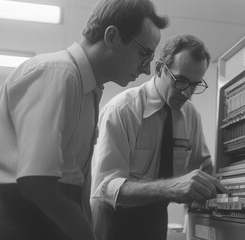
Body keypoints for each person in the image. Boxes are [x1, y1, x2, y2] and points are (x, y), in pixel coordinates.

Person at [0, 0, 168, 239]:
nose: (147, 69)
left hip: (47, 221)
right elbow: (38, 183)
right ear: (112, 37)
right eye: (144, 53)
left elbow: (72, 182)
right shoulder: (57, 73)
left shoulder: (87, 88)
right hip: (20, 223)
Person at [91, 34, 228, 240]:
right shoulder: (121, 110)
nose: (186, 93)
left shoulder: (190, 115)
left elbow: (203, 165)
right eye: (181, 81)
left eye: (195, 85)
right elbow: (106, 188)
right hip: (113, 222)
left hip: (156, 220)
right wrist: (170, 188)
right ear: (160, 69)